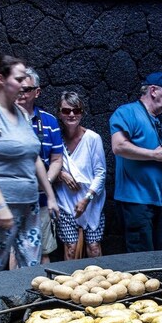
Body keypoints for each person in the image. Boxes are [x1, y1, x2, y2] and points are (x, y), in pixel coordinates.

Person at [0, 56, 58, 275]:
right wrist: (0, 205)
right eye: (19, 78)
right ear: (1, 80)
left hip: (28, 202)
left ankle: (26, 308)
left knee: (32, 266)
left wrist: (50, 196)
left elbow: (34, 157)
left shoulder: (22, 114)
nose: (25, 84)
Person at [110, 72, 162, 252]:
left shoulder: (157, 122)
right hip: (136, 200)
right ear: (153, 90)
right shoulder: (127, 112)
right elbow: (118, 146)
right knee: (141, 260)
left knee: (157, 259)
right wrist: (153, 155)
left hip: (157, 200)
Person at [16, 68, 64, 264]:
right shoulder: (1, 121)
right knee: (16, 253)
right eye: (17, 89)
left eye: (26, 90)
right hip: (14, 199)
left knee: (44, 251)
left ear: (37, 92)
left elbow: (57, 159)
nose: (21, 94)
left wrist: (46, 182)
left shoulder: (49, 121)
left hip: (42, 200)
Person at [55, 91, 107, 260]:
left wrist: (87, 198)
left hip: (90, 201)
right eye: (66, 110)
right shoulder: (56, 139)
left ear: (82, 113)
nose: (71, 114)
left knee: (93, 247)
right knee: (71, 248)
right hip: (66, 200)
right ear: (59, 113)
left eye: (76, 111)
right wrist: (61, 173)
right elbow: (46, 164)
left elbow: (100, 173)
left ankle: (99, 281)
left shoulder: (92, 138)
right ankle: (69, 282)